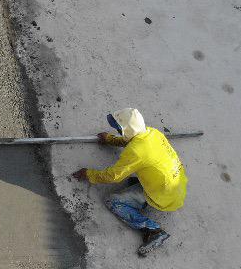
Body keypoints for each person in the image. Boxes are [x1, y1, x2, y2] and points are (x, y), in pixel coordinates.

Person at [71, 108, 188, 257]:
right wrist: (110, 139)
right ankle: (141, 193)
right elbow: (131, 140)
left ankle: (153, 230)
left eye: (119, 129)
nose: (117, 130)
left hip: (164, 195)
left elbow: (114, 176)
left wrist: (89, 174)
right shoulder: (153, 133)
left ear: (127, 130)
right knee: (137, 172)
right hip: (176, 185)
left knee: (112, 201)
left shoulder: (137, 151)